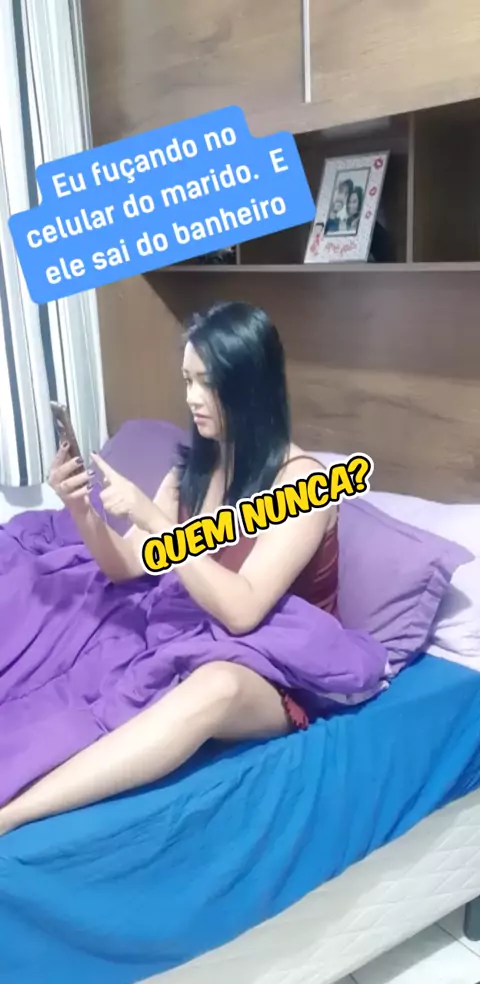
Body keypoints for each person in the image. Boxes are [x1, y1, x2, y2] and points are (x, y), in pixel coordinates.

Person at [0, 302, 339, 835]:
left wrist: (158, 522)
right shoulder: (193, 471)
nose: (191, 398)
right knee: (72, 628)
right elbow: (125, 567)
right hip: (194, 630)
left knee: (217, 687)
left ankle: (15, 815)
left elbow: (243, 610)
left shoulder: (304, 484)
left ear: (249, 384)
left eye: (207, 383)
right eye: (187, 380)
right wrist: (81, 509)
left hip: (279, 662)